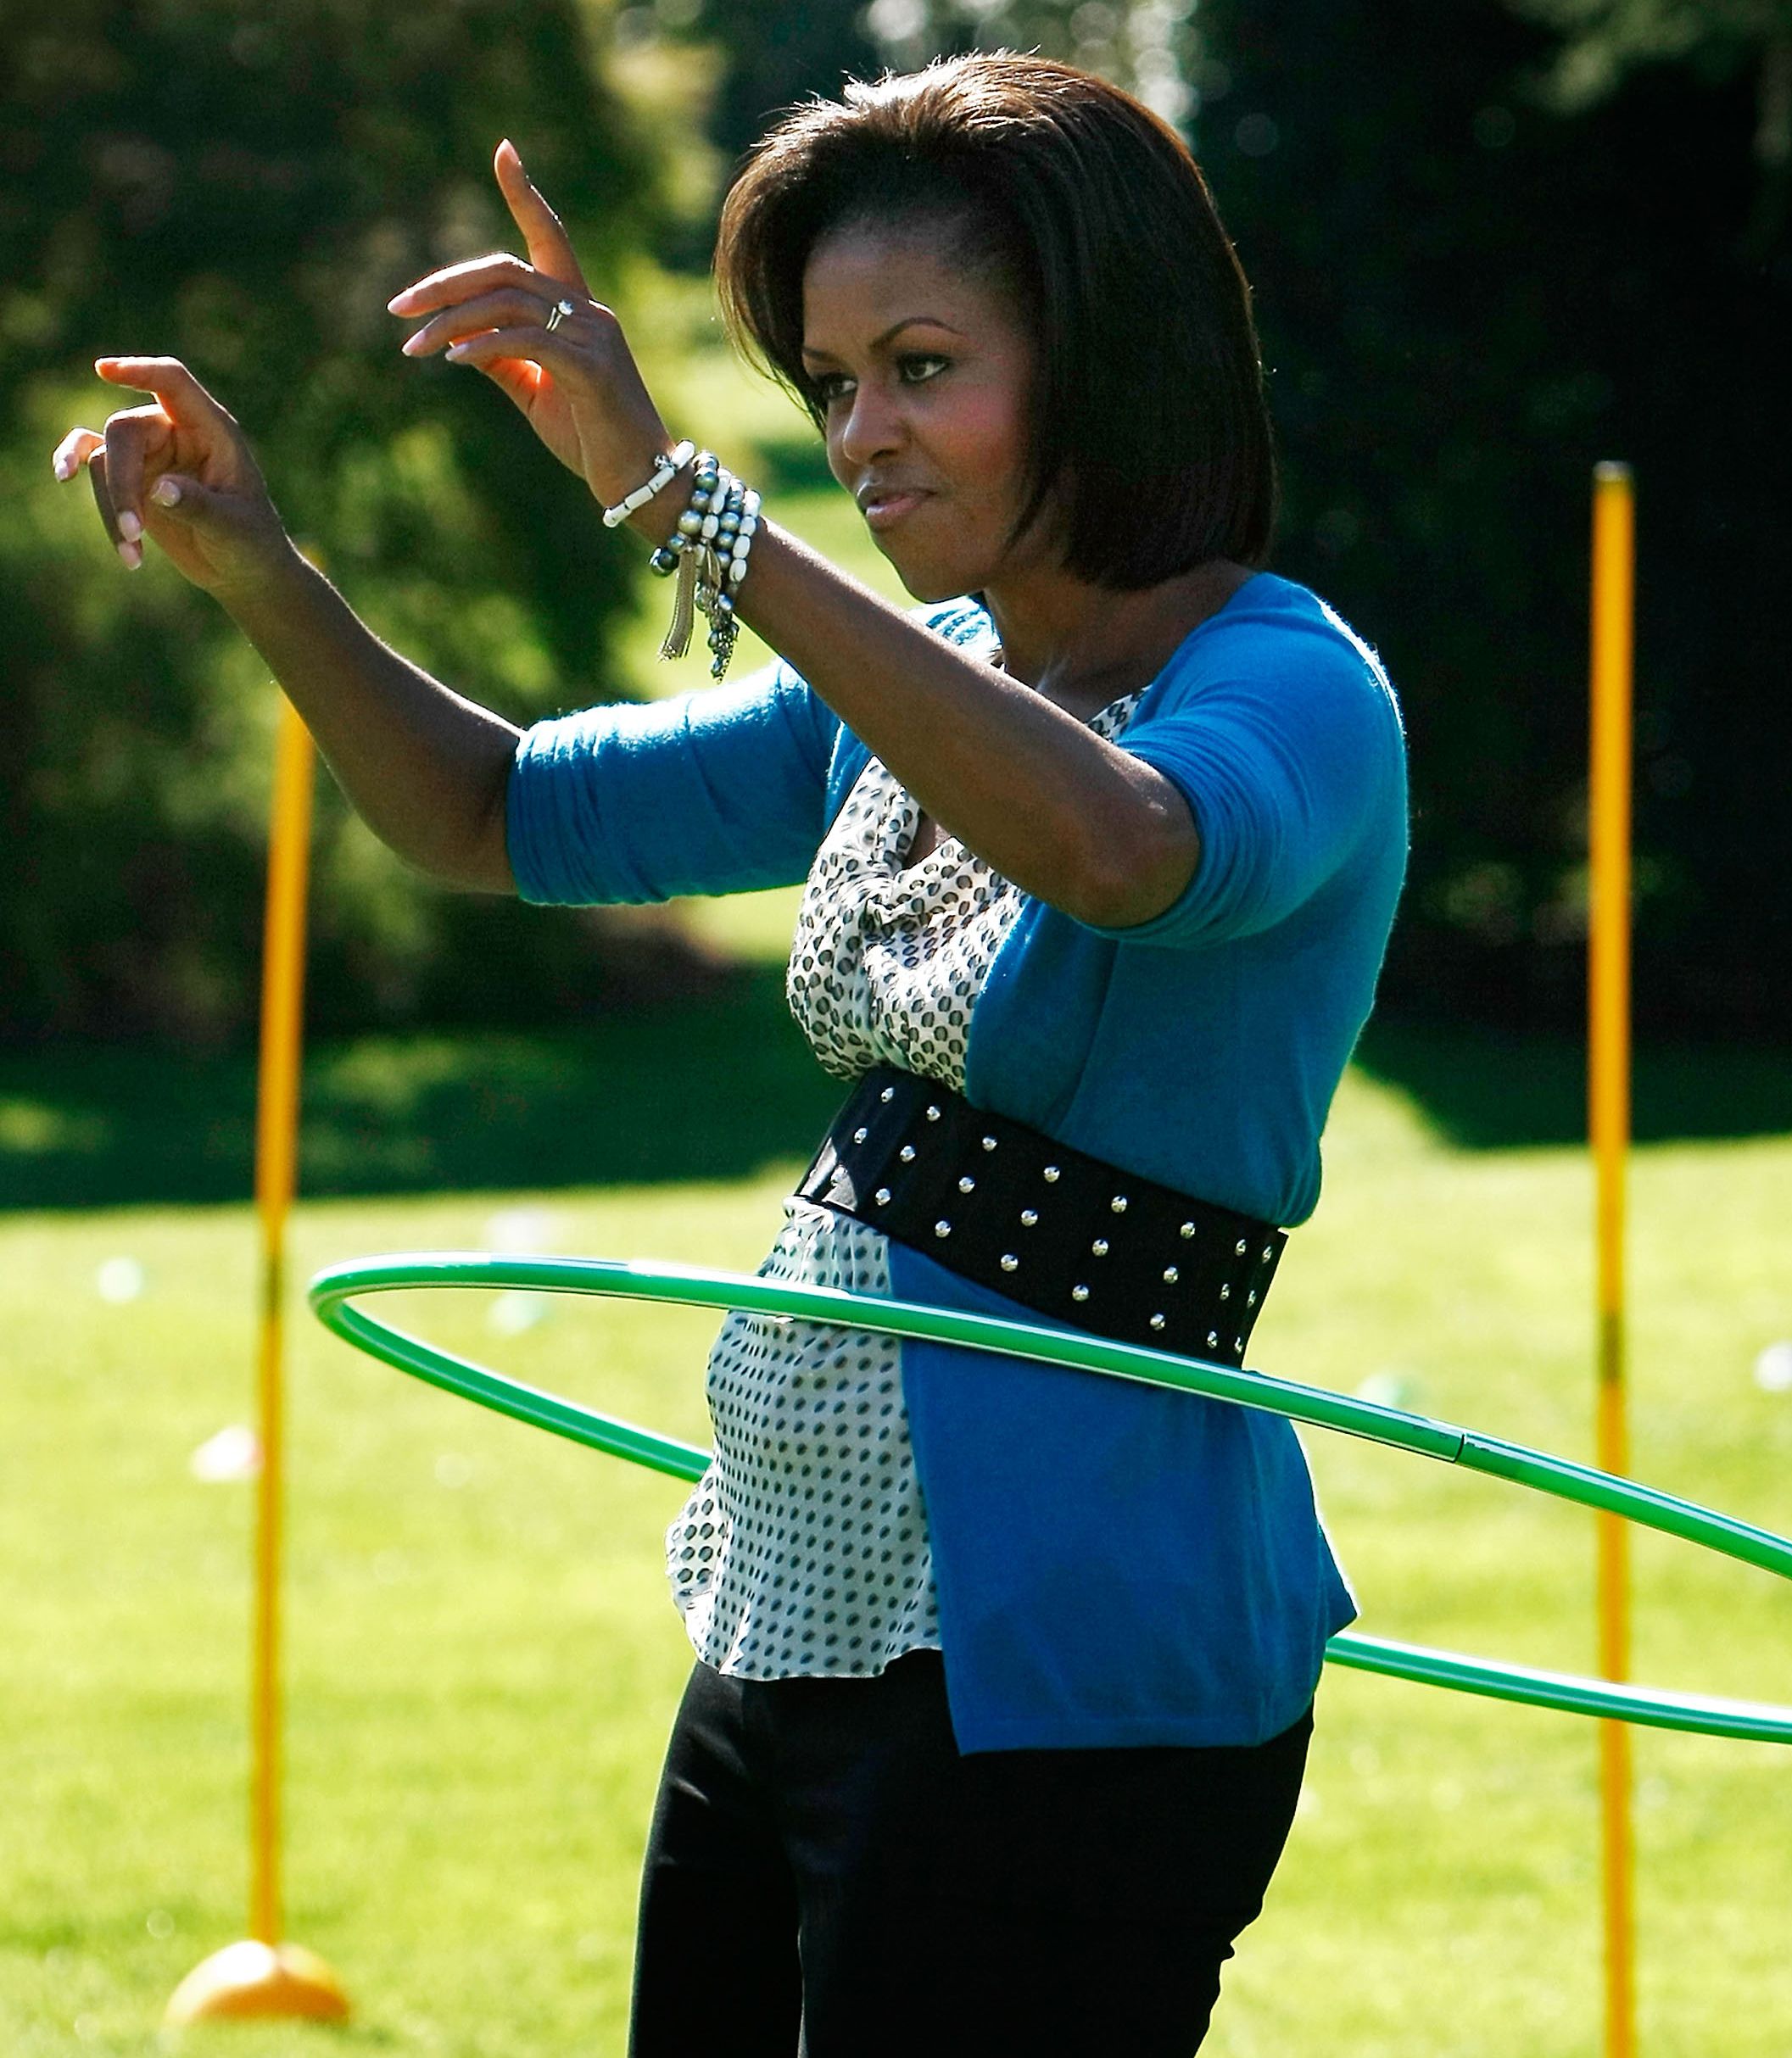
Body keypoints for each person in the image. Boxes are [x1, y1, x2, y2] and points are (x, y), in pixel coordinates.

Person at [56, 52, 1408, 2058]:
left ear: (1108, 358)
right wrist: (263, 562)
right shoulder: (921, 686)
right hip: (793, 1609)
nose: (863, 435)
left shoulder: (1292, 688)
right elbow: (490, 813)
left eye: (924, 366)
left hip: (1063, 1665)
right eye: (832, 384)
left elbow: (1123, 846)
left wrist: (689, 508)